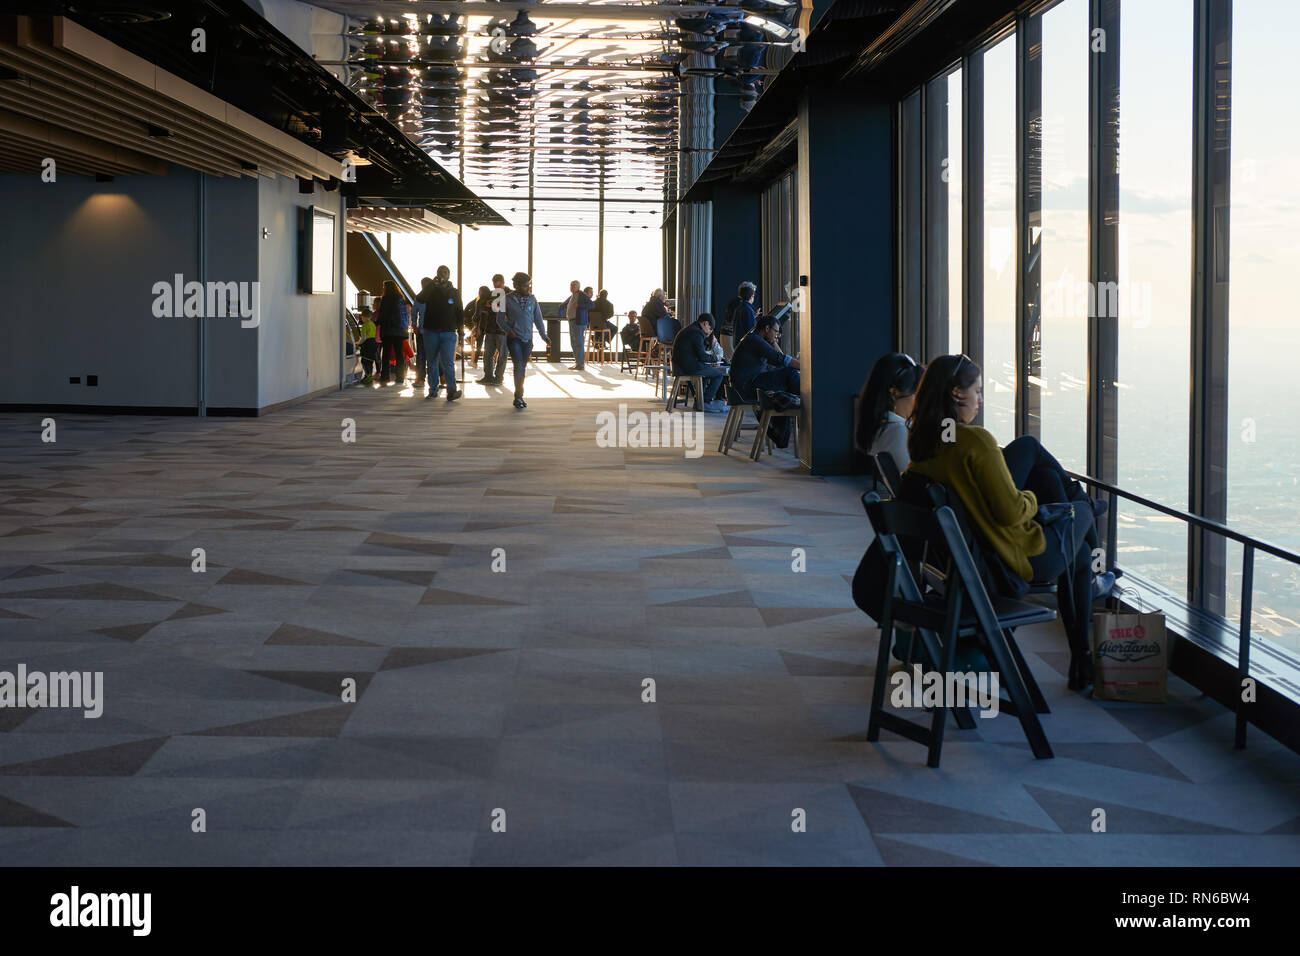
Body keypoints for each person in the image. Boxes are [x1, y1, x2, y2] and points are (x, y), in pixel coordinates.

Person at [904, 354, 1114, 689]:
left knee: (1046, 476)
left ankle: (1085, 643)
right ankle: (1097, 580)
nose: (981, 399)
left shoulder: (923, 445)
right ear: (957, 394)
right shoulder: (975, 441)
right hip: (1016, 559)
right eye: (978, 391)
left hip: (969, 557)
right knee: (1082, 515)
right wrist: (1034, 501)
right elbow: (1011, 513)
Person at [855, 353, 923, 478]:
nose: (922, 400)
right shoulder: (899, 432)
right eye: (917, 393)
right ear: (895, 392)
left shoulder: (881, 427)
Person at [498, 271, 550, 409]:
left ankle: (519, 395)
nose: (528, 288)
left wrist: (544, 336)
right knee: (519, 365)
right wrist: (509, 331)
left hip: (528, 339)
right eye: (525, 286)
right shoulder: (506, 299)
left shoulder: (532, 299)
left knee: (522, 367)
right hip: (514, 338)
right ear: (516, 285)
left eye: (529, 285)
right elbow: (499, 319)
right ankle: (518, 396)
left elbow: (538, 319)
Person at [416, 265, 463, 402]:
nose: (443, 274)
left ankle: (452, 391)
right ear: (436, 274)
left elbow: (459, 311)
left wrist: (460, 330)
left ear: (449, 275)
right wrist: (431, 284)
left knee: (448, 362)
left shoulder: (454, 292)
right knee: (432, 362)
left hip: (448, 332)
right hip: (431, 332)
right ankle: (433, 391)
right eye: (440, 272)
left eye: (445, 272)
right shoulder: (431, 289)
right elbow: (419, 298)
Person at [730, 314, 800, 401]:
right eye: (776, 332)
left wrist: (773, 342)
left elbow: (781, 361)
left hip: (744, 386)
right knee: (791, 373)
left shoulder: (754, 339)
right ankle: (808, 404)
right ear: (767, 328)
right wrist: (804, 367)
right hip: (746, 388)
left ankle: (785, 411)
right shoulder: (755, 340)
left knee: (784, 374)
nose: (776, 336)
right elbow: (781, 358)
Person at [670, 314, 728, 413]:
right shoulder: (697, 333)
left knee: (707, 370)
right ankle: (705, 401)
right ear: (705, 324)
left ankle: (700, 401)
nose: (710, 332)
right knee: (718, 375)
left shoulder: (691, 329)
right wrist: (716, 358)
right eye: (710, 329)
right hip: (686, 367)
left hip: (680, 365)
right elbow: (702, 356)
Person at [376, 280, 407, 386]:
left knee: (386, 354)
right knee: (399, 355)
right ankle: (400, 377)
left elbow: (383, 315)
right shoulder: (400, 298)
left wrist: (376, 322)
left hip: (389, 330)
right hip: (400, 331)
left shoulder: (385, 299)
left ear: (386, 288)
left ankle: (385, 377)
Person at [479, 274, 508, 386]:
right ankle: (488, 376)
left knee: (502, 355)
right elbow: (483, 307)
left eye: (498, 282)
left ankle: (498, 377)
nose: (496, 284)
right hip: (491, 329)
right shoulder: (491, 294)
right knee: (487, 355)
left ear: (502, 282)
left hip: (502, 330)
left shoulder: (509, 294)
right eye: (494, 282)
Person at [719, 281, 756, 361]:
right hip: (730, 334)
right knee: (732, 360)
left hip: (727, 333)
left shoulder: (736, 302)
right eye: (752, 292)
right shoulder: (741, 304)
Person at [561, 280, 593, 370]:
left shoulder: (582, 295)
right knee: (574, 343)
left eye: (573, 286)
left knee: (578, 343)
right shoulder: (572, 295)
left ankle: (581, 364)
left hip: (578, 322)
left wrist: (579, 305)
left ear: (578, 287)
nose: (571, 288)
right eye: (570, 286)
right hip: (571, 321)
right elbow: (565, 305)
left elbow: (591, 305)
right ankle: (578, 363)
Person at [412, 277, 433, 388]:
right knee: (433, 356)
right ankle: (435, 379)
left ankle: (420, 380)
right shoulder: (434, 297)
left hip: (422, 331)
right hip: (432, 331)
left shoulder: (419, 298)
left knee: (421, 356)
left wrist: (414, 325)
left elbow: (414, 312)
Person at [358, 306, 377, 385]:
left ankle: (367, 375)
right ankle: (370, 375)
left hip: (367, 345)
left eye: (362, 317)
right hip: (373, 343)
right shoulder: (373, 324)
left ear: (364, 317)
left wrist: (359, 343)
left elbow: (364, 337)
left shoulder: (365, 325)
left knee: (364, 361)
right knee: (370, 360)